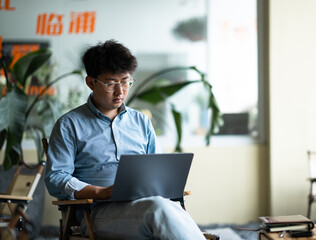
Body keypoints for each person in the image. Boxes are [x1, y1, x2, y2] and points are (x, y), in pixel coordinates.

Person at [45, 40, 206, 240]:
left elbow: (159, 171)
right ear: (91, 82)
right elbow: (56, 178)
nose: (120, 91)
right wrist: (99, 192)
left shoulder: (141, 122)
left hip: (145, 205)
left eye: (126, 81)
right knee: (158, 210)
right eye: (111, 83)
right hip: (97, 213)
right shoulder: (69, 125)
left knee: (163, 207)